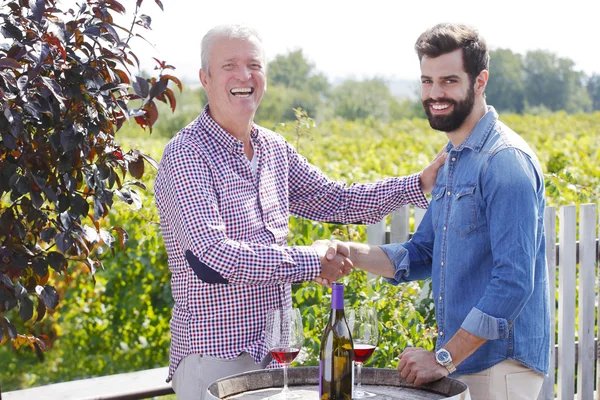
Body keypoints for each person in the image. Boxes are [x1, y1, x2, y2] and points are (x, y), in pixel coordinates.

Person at [153, 24, 446, 399]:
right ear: (205, 79)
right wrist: (312, 260)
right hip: (216, 359)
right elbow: (215, 254)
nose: (244, 76)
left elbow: (337, 199)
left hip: (275, 359)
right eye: (229, 66)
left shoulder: (274, 149)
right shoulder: (187, 155)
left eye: (253, 65)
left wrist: (418, 184)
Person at [324, 23, 550, 400]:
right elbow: (424, 253)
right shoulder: (453, 161)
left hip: (498, 369)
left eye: (448, 81)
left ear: (480, 81)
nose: (435, 94)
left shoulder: (505, 162)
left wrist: (443, 357)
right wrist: (352, 253)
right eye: (427, 81)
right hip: (467, 366)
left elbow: (513, 281)